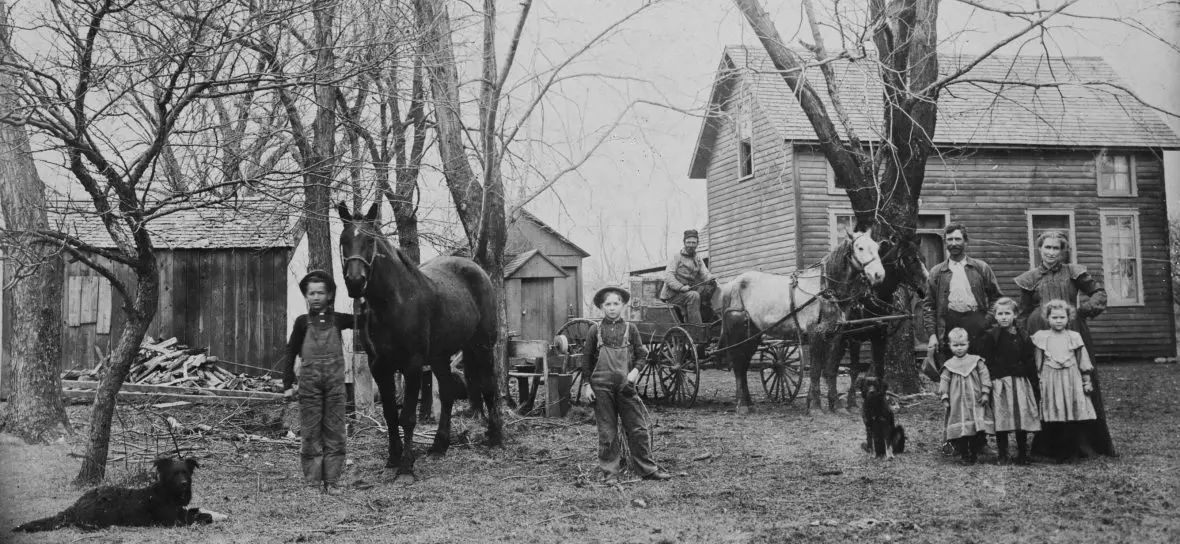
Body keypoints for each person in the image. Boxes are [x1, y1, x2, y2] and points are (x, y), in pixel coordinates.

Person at [1015, 229, 1115, 458]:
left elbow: (1098, 293)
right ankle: (1047, 445)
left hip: (1072, 332)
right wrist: (1023, 337)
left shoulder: (1074, 272)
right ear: (1039, 249)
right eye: (1047, 247)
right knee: (1045, 384)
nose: (1051, 252)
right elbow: (1022, 312)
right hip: (1040, 334)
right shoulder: (1030, 278)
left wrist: (1081, 312)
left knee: (1080, 381)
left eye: (1056, 248)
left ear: (1063, 250)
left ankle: (1085, 443)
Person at [581, 285, 672, 482]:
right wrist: (587, 385)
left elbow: (642, 354)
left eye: (616, 303)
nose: (612, 308)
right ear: (601, 307)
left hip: (626, 386)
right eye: (608, 304)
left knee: (638, 428)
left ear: (622, 305)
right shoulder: (594, 330)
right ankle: (610, 473)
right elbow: (586, 360)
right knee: (607, 431)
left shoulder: (631, 329)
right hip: (601, 387)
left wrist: (635, 372)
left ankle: (647, 469)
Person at [281, 270, 356, 495]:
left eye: (320, 293)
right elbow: (291, 351)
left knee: (335, 433)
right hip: (309, 386)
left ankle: (332, 482)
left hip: (335, 386)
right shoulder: (302, 322)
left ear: (329, 295)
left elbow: (366, 319)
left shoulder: (339, 320)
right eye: (311, 293)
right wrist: (287, 384)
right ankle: (313, 483)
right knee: (311, 433)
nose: (315, 297)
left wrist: (364, 297)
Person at [922, 223, 1003, 378]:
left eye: (958, 239)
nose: (953, 243)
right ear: (945, 242)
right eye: (950, 239)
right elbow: (928, 305)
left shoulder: (980, 267)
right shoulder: (937, 272)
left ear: (966, 241)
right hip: (948, 324)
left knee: (980, 369)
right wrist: (932, 334)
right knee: (952, 371)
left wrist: (985, 322)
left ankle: (980, 401)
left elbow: (997, 298)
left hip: (976, 322)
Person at [1031, 300, 1100, 463]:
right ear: (1047, 319)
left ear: (1068, 319)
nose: (1059, 320)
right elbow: (1037, 362)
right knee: (1053, 412)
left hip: (1071, 379)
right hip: (1050, 379)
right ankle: (1050, 451)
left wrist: (1086, 380)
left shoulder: (1074, 337)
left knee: (1071, 412)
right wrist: (1038, 378)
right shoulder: (1042, 337)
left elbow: (1082, 360)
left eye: (1062, 317)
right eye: (1054, 317)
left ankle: (1071, 452)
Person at [976, 297, 1040, 465]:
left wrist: (1029, 376)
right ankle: (1002, 454)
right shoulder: (991, 336)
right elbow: (985, 360)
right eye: (1000, 314)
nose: (1004, 317)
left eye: (1007, 313)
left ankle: (1022, 454)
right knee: (1001, 417)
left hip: (1019, 382)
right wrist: (991, 380)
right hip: (1000, 383)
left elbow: (1028, 358)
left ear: (1015, 315)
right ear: (995, 316)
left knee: (1021, 418)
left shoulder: (1022, 335)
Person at [939, 328, 994, 465]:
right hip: (958, 403)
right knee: (962, 431)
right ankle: (964, 455)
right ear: (950, 345)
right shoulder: (949, 365)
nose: (959, 348)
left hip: (976, 400)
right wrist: (945, 398)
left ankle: (974, 454)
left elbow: (985, 376)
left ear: (968, 344)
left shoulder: (976, 361)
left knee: (975, 429)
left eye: (962, 344)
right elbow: (944, 381)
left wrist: (985, 392)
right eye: (955, 345)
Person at [659, 229, 717, 325]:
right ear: (684, 242)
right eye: (688, 242)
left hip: (688, 292)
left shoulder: (698, 259)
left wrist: (710, 278)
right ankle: (696, 328)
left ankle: (710, 320)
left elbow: (704, 273)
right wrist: (681, 287)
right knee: (693, 296)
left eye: (693, 243)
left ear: (697, 243)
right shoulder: (676, 257)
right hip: (672, 295)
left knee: (711, 286)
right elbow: (668, 277)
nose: (691, 245)